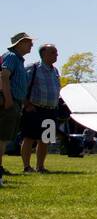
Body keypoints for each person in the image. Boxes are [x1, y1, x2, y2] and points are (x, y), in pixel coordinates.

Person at [21, 42, 61, 174]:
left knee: (45, 139)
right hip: (34, 109)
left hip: (50, 110)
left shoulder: (55, 71)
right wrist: (27, 104)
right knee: (29, 138)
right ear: (43, 54)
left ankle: (40, 166)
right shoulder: (32, 68)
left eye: (56, 52)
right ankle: (27, 167)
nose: (56, 55)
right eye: (53, 52)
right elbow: (22, 88)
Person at [0, 33, 34, 186]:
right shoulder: (12, 57)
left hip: (15, 102)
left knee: (4, 138)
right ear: (19, 44)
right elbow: (4, 77)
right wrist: (8, 99)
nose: (31, 45)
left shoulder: (18, 59)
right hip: (9, 102)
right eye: (28, 42)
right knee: (1, 137)